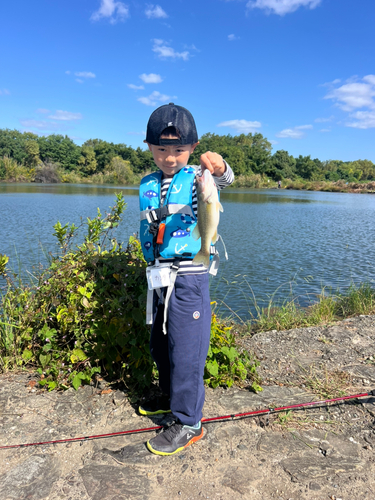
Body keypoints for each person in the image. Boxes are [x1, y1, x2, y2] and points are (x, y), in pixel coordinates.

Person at [138, 103, 234, 456]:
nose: (169, 157)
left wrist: (220, 167)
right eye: (161, 149)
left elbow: (224, 180)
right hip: (159, 276)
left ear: (192, 148)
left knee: (187, 349)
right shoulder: (148, 183)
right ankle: (167, 396)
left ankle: (189, 422)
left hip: (190, 274)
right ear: (149, 147)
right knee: (161, 343)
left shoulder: (198, 176)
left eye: (178, 150)